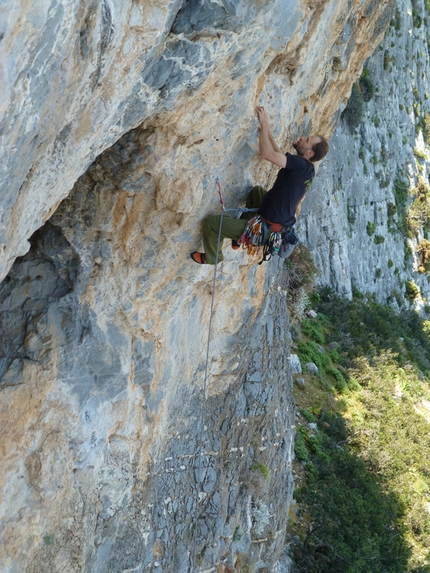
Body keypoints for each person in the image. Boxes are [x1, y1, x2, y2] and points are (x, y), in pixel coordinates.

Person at [190, 106, 329, 264]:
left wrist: (264, 124)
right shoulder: (307, 169)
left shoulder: (301, 166)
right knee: (257, 193)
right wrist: (268, 133)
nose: (303, 138)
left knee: (213, 224)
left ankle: (213, 257)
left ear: (310, 153)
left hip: (267, 229)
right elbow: (279, 156)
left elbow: (267, 155)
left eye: (307, 140)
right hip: (278, 224)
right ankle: (238, 239)